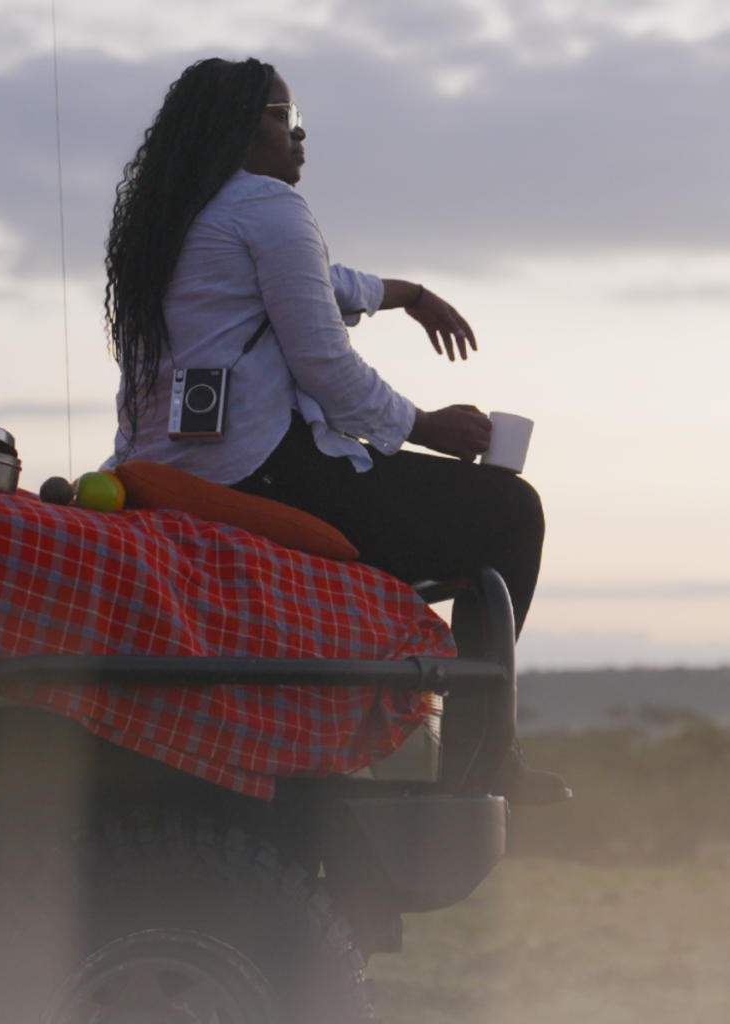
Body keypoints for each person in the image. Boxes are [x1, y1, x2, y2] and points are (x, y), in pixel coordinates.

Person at [103, 57, 568, 804]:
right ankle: (484, 762)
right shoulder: (265, 207)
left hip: (167, 468)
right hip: (262, 469)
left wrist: (405, 294)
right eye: (283, 118)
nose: (299, 139)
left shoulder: (171, 217)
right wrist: (423, 426)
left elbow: (322, 278)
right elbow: (322, 360)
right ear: (239, 127)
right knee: (510, 512)